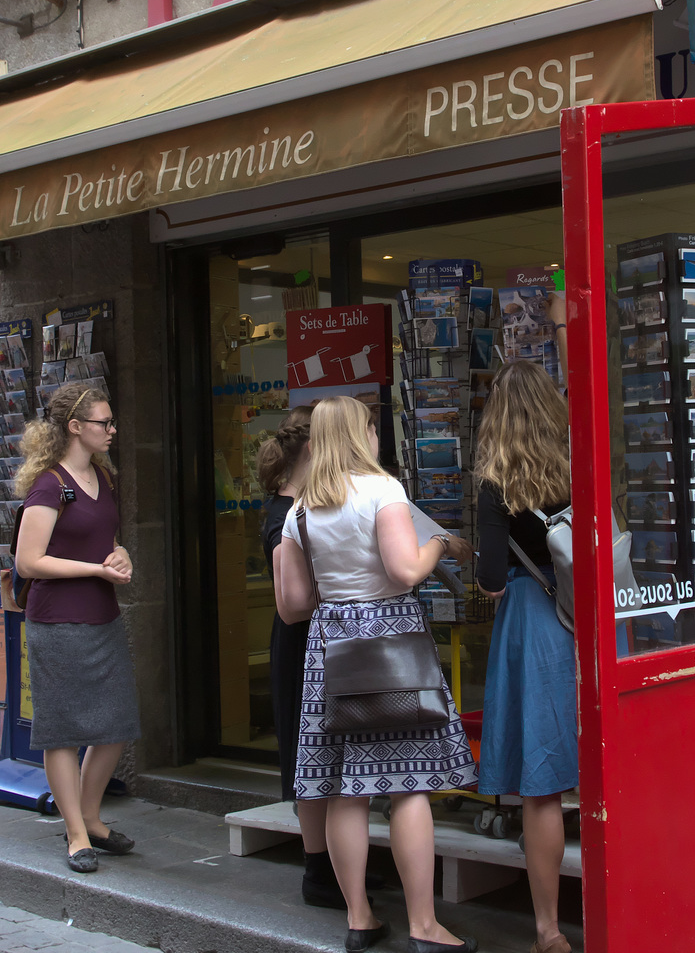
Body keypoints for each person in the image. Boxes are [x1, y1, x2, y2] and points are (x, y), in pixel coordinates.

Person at [276, 396, 478, 953]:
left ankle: (360, 919)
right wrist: (438, 540)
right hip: (390, 638)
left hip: (331, 645)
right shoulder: (384, 491)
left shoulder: (299, 513)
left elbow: (292, 604)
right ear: (361, 433)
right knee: (407, 787)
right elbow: (405, 569)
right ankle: (423, 926)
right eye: (371, 427)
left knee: (347, 791)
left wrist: (335, 588)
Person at [13, 382, 140, 874]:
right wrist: (94, 570)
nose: (111, 430)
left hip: (101, 616)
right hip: (56, 621)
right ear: (75, 427)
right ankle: (76, 834)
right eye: (103, 423)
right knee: (63, 731)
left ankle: (91, 817)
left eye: (111, 422)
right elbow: (29, 562)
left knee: (116, 723)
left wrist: (120, 554)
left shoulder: (103, 478)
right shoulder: (50, 485)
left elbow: (107, 539)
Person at [473, 356, 576, 953]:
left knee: (542, 788)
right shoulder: (580, 463)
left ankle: (548, 929)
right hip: (592, 624)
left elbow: (490, 579)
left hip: (535, 626)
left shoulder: (495, 484)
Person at [256, 405, 343, 907]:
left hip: (317, 635)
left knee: (324, 753)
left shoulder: (300, 506)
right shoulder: (282, 514)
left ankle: (332, 865)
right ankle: (317, 872)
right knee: (307, 757)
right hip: (301, 638)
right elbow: (288, 592)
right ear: (312, 449)